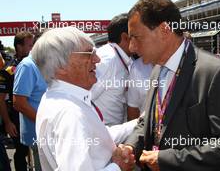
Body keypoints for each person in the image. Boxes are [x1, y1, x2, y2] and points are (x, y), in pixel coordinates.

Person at [118, 0, 220, 170]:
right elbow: (149, 122)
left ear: (164, 30)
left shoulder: (216, 72)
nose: (132, 47)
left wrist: (168, 160)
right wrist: (131, 147)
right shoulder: (156, 70)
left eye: (136, 37)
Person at [33, 27, 136, 170]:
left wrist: (139, 122)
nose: (97, 59)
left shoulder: (57, 99)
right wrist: (118, 166)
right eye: (89, 53)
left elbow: (97, 138)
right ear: (61, 66)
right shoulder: (70, 112)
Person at [91, 13, 134, 125]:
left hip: (113, 134)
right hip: (103, 135)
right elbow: (87, 97)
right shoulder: (108, 59)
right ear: (125, 37)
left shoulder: (120, 58)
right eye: (137, 35)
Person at [13, 32, 47, 171]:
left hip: (48, 134)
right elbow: (19, 103)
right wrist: (45, 123)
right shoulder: (28, 66)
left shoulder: (45, 64)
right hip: (39, 135)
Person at [0, 31, 34, 171]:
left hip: (34, 115)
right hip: (16, 119)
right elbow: (0, 100)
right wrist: (8, 122)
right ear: (19, 47)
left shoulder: (35, 65)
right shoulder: (8, 70)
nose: (32, 48)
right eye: (29, 45)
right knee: (21, 152)